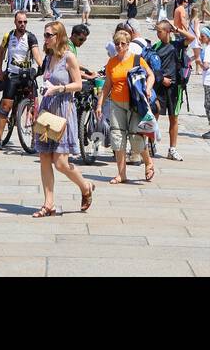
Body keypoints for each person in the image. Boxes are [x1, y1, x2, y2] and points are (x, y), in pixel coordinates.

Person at [32, 20, 95, 216]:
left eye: (49, 35)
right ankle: (48, 203)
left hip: (63, 109)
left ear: (58, 36)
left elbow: (77, 84)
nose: (45, 38)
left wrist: (59, 88)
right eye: (45, 34)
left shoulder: (69, 58)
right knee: (44, 157)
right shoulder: (48, 57)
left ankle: (85, 186)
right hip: (47, 109)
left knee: (60, 163)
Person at [96, 27, 155, 185]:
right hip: (116, 104)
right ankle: (121, 174)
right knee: (117, 138)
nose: (119, 46)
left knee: (136, 137)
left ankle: (148, 162)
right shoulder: (112, 62)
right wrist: (100, 104)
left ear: (128, 45)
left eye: (122, 44)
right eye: (117, 44)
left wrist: (148, 89)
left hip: (134, 104)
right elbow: (107, 85)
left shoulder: (137, 60)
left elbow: (151, 75)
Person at [0, 11, 42, 148]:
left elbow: (36, 54)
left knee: (34, 107)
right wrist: (0, 70)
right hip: (12, 75)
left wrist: (41, 66)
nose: (23, 24)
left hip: (27, 75)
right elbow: (1, 52)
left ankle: (33, 140)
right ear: (15, 22)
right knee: (5, 107)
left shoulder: (30, 37)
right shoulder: (8, 36)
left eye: (25, 22)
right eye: (20, 22)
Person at [152, 15, 194, 160]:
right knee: (154, 115)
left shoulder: (177, 45)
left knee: (173, 118)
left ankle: (172, 149)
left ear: (167, 31)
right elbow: (151, 67)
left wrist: (177, 29)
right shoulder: (155, 47)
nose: (158, 34)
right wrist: (161, 79)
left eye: (160, 31)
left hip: (175, 88)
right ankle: (151, 143)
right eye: (157, 31)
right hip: (159, 86)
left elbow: (192, 38)